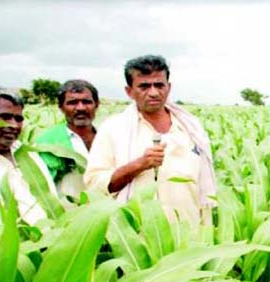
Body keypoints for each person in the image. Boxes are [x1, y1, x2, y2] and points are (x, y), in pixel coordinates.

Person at [85, 55, 217, 225]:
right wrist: (140, 164)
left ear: (168, 87)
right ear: (129, 91)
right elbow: (96, 185)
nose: (153, 92)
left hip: (189, 233)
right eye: (144, 86)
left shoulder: (191, 128)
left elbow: (204, 183)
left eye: (159, 85)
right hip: (138, 236)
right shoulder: (113, 129)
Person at [0, 87, 56, 226]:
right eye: (4, 117)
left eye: (18, 119)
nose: (14, 125)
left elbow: (51, 199)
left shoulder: (27, 154)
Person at [36, 79, 99, 202]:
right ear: (61, 107)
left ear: (97, 104)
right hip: (66, 214)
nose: (80, 108)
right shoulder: (47, 143)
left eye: (86, 102)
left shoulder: (107, 137)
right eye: (72, 103)